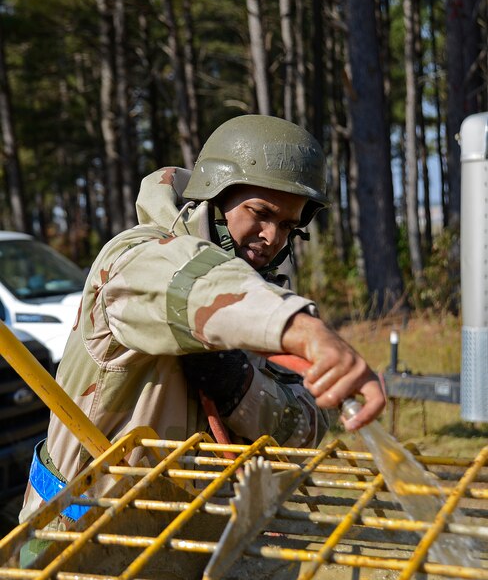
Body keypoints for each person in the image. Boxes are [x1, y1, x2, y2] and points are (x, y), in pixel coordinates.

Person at [19, 115, 384, 549]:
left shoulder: (264, 297)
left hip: (199, 546)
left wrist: (241, 392)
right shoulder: (133, 260)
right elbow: (187, 283)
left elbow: (308, 428)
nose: (273, 238)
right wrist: (302, 330)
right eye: (261, 213)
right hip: (84, 545)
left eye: (288, 225)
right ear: (214, 196)